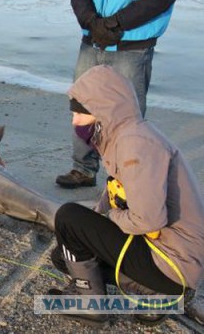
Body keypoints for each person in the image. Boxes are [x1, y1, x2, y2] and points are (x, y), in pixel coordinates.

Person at [49, 65, 204, 327]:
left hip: (172, 261)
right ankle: (155, 294)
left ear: (103, 113)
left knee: (67, 217)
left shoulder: (136, 144)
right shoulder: (122, 136)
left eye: (80, 113)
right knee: (65, 254)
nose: (74, 121)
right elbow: (116, 194)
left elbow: (148, 220)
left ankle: (92, 306)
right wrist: (91, 226)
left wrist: (107, 217)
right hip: (164, 253)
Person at [56, 0, 187, 188]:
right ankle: (83, 170)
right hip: (92, 37)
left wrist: (118, 22)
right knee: (82, 108)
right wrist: (90, 20)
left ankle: (124, 178)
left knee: (127, 119)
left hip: (134, 42)